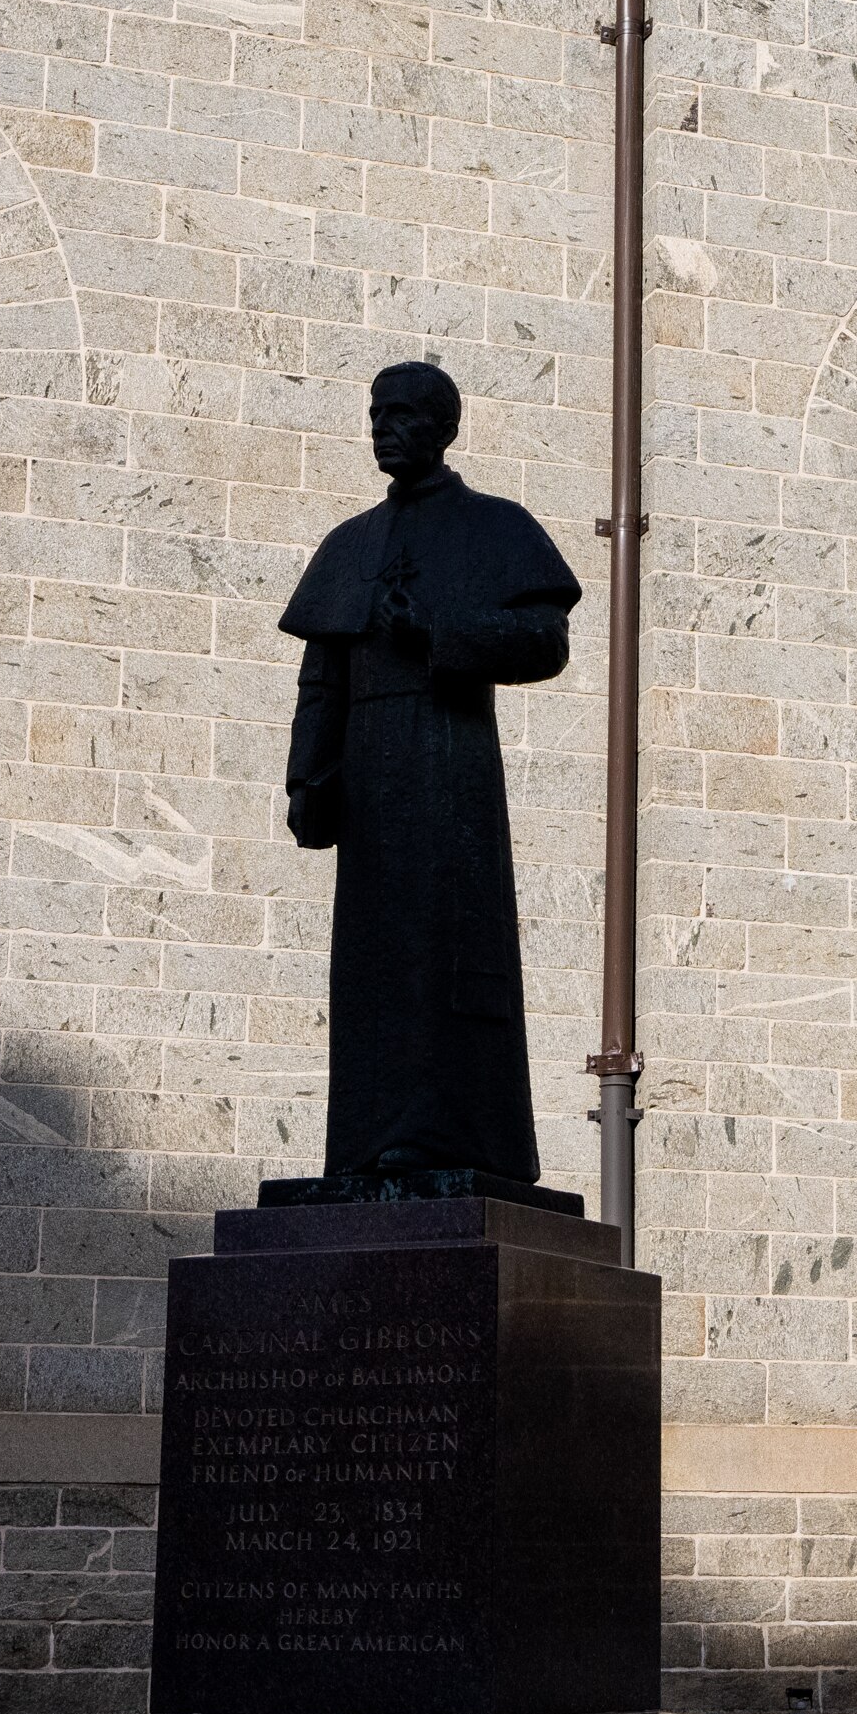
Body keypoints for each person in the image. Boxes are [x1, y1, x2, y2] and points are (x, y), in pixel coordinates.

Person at [277, 361, 582, 1185]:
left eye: (404, 413)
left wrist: (441, 631)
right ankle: (369, 1142)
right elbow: (322, 674)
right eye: (377, 412)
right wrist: (310, 778)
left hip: (449, 762)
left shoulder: (494, 526)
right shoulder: (350, 545)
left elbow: (545, 641)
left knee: (445, 952)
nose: (384, 426)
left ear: (443, 428)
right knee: (374, 963)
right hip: (372, 777)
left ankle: (451, 1137)